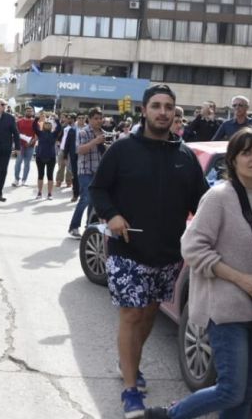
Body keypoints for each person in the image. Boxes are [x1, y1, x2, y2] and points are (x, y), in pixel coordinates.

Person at [146, 128, 252, 419]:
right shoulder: (218, 197)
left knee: (250, 390)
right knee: (231, 390)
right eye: (247, 153)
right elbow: (192, 248)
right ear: (233, 160)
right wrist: (241, 279)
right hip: (225, 310)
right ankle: (169, 415)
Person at [89, 85, 208, 419]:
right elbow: (98, 189)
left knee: (149, 314)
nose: (163, 112)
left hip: (168, 255)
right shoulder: (122, 149)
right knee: (131, 314)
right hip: (127, 251)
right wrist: (111, 215)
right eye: (156, 106)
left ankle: (129, 361)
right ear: (144, 110)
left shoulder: (185, 156)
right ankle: (130, 390)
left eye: (168, 106)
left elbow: (203, 203)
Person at [67, 107, 106, 238]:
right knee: (86, 198)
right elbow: (79, 150)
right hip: (85, 170)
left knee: (94, 201)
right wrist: (95, 141)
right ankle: (74, 227)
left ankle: (89, 228)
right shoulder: (83, 132)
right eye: (96, 118)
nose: (99, 121)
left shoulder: (104, 133)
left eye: (100, 118)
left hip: (99, 172)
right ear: (89, 119)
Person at [34, 116, 61, 200]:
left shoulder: (54, 134)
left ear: (51, 126)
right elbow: (34, 126)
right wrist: (37, 118)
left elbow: (59, 127)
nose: (48, 125)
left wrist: (56, 119)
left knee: (50, 176)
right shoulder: (40, 133)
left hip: (51, 157)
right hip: (40, 157)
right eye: (46, 124)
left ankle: (49, 194)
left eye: (49, 124)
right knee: (40, 175)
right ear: (43, 126)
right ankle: (39, 193)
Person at [12, 106, 38, 187]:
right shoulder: (19, 122)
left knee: (27, 163)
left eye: (31, 111)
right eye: (28, 111)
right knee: (18, 162)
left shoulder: (35, 123)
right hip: (20, 146)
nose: (29, 112)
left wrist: (30, 143)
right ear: (25, 112)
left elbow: (37, 135)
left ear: (32, 113)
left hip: (31, 146)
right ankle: (16, 179)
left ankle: (24, 180)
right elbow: (15, 133)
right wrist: (16, 145)